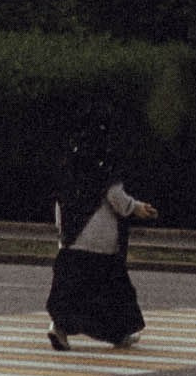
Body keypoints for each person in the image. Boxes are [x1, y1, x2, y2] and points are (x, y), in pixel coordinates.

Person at [47, 135, 158, 349]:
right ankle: (120, 333)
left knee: (70, 292)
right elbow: (116, 197)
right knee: (113, 291)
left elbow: (60, 207)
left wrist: (62, 236)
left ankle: (58, 327)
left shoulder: (69, 174)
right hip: (101, 242)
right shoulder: (104, 171)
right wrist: (136, 207)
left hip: (72, 242)